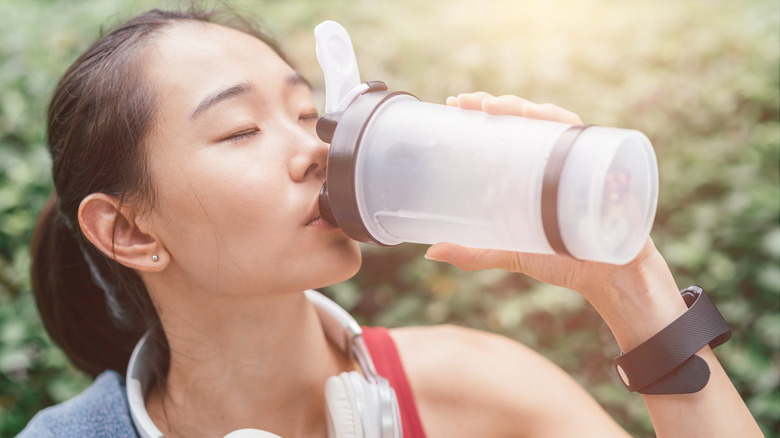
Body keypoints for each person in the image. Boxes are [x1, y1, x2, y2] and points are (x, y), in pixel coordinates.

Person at [19, 6, 762, 438]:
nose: (316, 149)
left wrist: (629, 282)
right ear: (131, 233)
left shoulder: (477, 390)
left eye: (311, 114)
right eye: (242, 131)